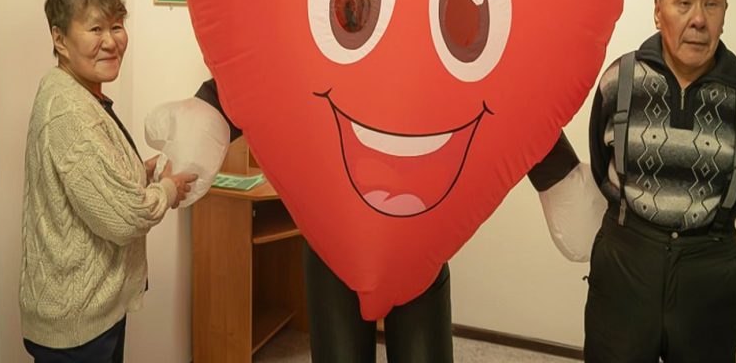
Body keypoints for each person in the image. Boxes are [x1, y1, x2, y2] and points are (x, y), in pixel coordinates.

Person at [190, 79, 578, 362]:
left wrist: (558, 172)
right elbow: (269, 63)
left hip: (418, 242)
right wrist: (208, 111)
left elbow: (507, 83)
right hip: (336, 238)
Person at [583, 0, 736, 362]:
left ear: (724, 15)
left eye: (712, 4)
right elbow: (602, 162)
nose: (698, 20)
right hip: (626, 259)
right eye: (684, 2)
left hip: (710, 264)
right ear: (658, 12)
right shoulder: (619, 80)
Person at [20, 0, 198, 362]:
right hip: (76, 326)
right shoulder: (69, 112)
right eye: (95, 28)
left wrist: (145, 171)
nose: (111, 41)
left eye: (117, 26)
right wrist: (168, 189)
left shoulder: (74, 91)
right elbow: (123, 218)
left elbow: (90, 179)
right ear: (60, 39)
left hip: (92, 312)